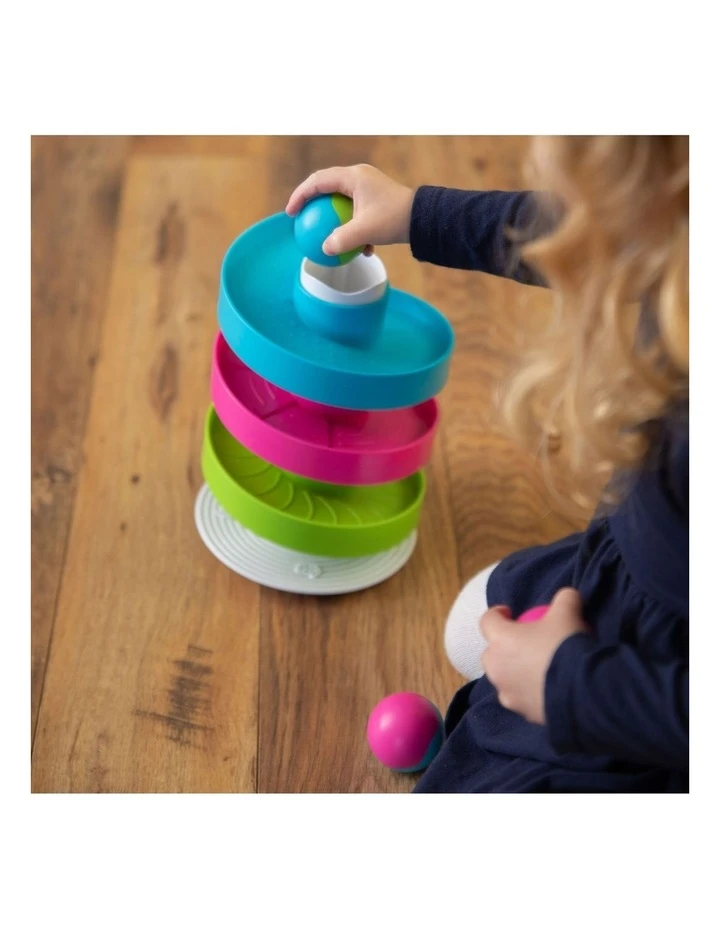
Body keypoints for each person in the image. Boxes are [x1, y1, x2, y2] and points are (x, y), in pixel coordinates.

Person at [285, 137, 689, 793]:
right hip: (635, 571)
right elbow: (593, 232)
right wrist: (417, 213)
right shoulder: (678, 237)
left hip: (657, 687)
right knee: (466, 632)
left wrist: (571, 684)